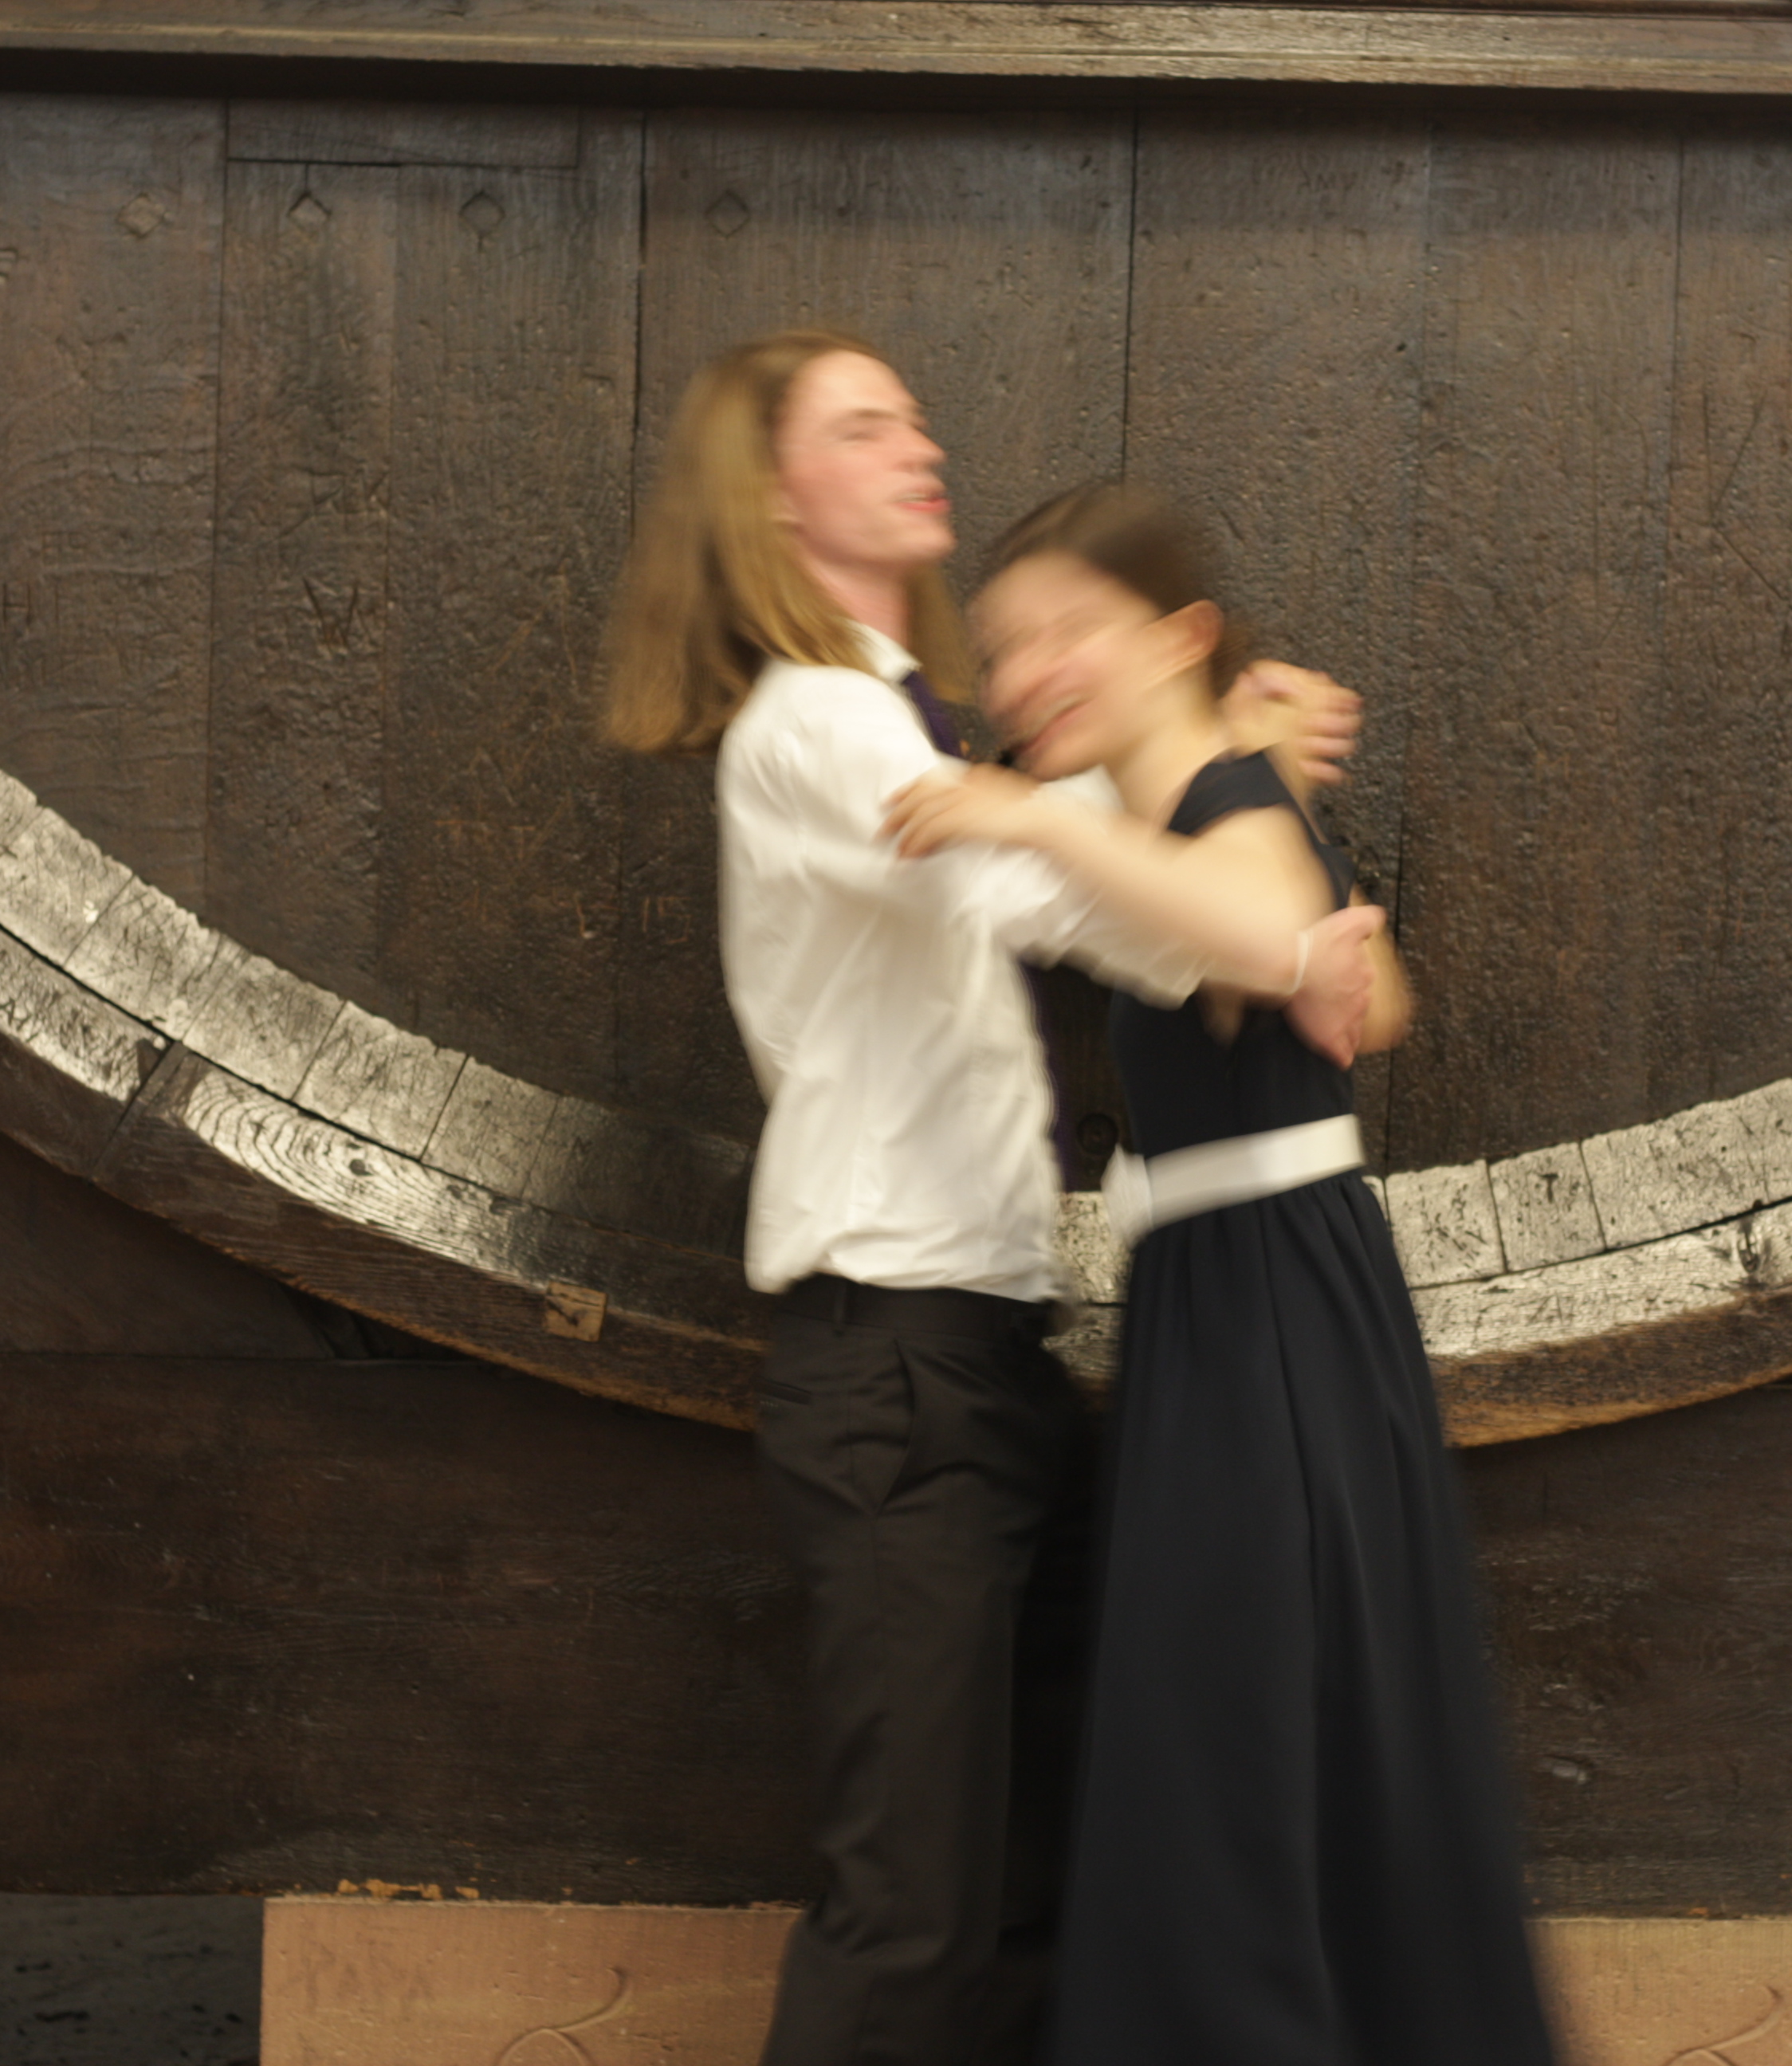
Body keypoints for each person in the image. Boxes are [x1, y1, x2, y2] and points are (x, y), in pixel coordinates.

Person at [601, 331, 1381, 2066]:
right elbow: (1032, 873)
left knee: (1030, 1896)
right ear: (769, 497)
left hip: (980, 1366)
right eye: (863, 426)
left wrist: (1230, 816)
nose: (918, 443)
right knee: (916, 1915)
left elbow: (1107, 904)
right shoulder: (820, 723)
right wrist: (1208, 755)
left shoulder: (923, 730)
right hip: (890, 1368)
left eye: (913, 415)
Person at [886, 482, 1557, 2066]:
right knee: (1245, 1722)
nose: (1025, 675)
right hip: (1230, 1296)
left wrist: (1041, 816)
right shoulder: (1190, 800)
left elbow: (1279, 942)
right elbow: (1331, 972)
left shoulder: (1219, 800)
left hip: (1274, 1307)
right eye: (1003, 648)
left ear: (1178, 635)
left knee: (1237, 1727)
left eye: (1067, 631)